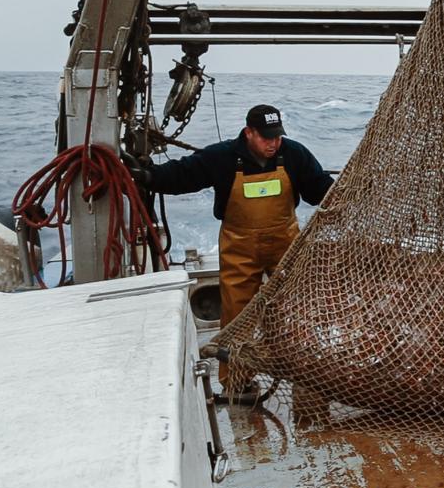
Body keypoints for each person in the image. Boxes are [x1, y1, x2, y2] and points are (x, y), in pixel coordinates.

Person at [132, 104, 333, 391]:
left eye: (277, 137)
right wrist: (149, 176)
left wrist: (348, 190)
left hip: (286, 246)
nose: (273, 143)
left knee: (295, 312)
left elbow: (319, 189)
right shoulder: (224, 157)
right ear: (248, 132)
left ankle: (305, 382)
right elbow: (184, 175)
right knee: (237, 318)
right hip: (240, 248)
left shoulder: (294, 154)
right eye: (266, 137)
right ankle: (237, 383)